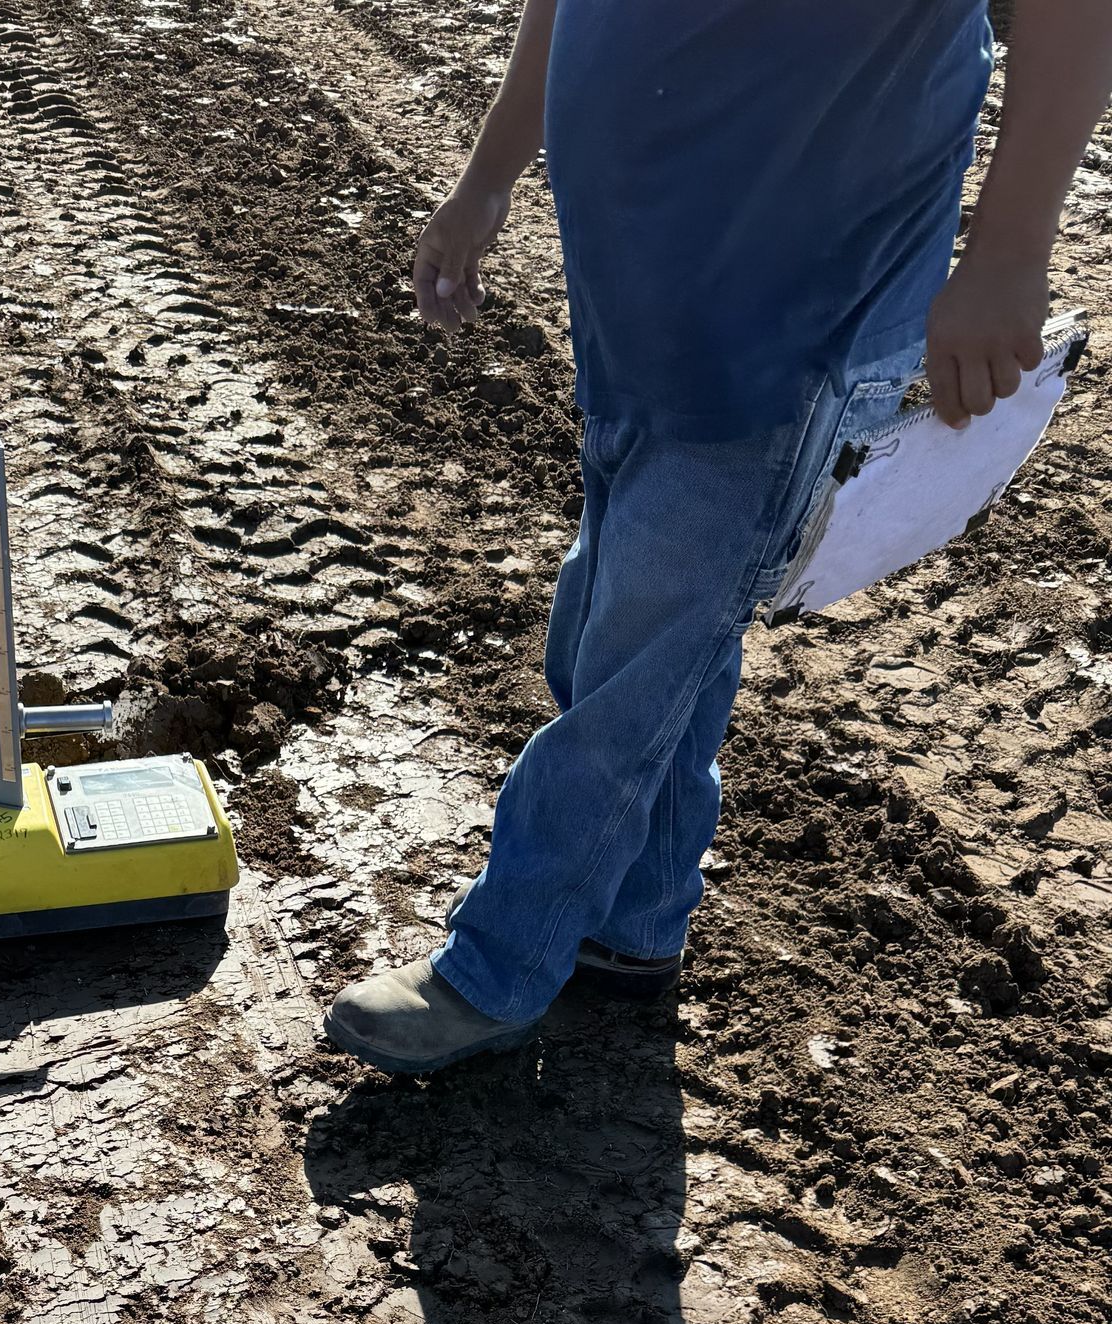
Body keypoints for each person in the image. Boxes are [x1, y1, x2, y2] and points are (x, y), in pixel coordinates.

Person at [324, 0, 1112, 1077]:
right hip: (642, 314)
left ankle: (499, 966)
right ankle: (638, 923)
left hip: (789, 329)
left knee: (629, 674)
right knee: (622, 628)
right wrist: (485, 179)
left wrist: (1011, 251)